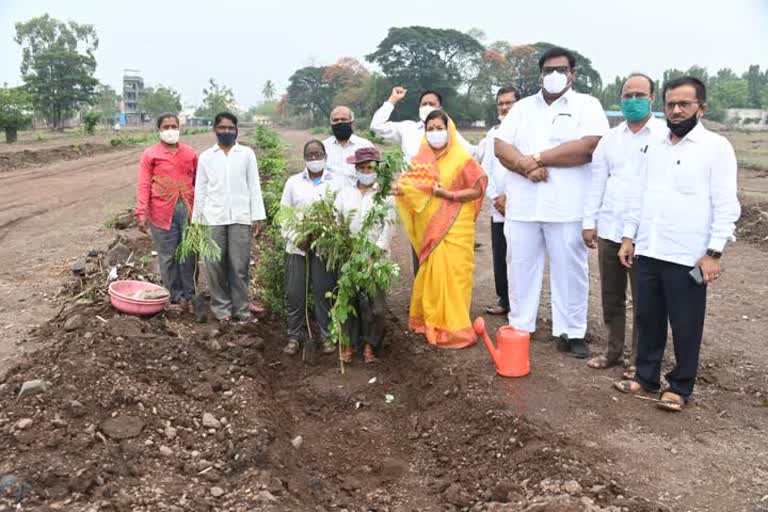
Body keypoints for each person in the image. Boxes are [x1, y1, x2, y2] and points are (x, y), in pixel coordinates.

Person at [614, 77, 741, 411]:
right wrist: (629, 237)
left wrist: (714, 253)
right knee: (647, 318)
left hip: (689, 256)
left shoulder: (716, 148)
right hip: (649, 250)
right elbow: (637, 196)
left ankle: (680, 386)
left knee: (685, 324)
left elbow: (726, 205)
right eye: (671, 104)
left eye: (684, 104)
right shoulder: (653, 146)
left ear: (701, 107)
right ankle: (645, 376)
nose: (676, 110)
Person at [494, 46, 609, 358]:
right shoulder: (522, 109)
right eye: (548, 70)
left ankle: (571, 331)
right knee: (520, 267)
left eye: (561, 69)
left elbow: (588, 148)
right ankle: (521, 326)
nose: (554, 75)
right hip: (523, 207)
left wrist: (535, 158)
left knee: (570, 270)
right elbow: (501, 146)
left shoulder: (587, 105)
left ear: (572, 74)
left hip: (567, 207)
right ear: (540, 74)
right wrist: (525, 167)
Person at [582, 74, 667, 375]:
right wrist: (588, 221)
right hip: (609, 228)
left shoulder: (663, 136)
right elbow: (597, 181)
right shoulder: (611, 138)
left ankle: (638, 358)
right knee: (611, 296)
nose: (633, 101)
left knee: (644, 299)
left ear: (652, 98)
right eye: (627, 95)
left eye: (639, 95)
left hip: (645, 234)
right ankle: (613, 351)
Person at [395, 110, 487, 348]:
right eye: (430, 129)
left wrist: (448, 194)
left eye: (439, 128)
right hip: (432, 230)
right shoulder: (421, 160)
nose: (435, 133)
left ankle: (454, 327)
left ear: (450, 129)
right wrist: (401, 190)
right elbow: (411, 186)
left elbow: (477, 189)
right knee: (432, 274)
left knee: (455, 276)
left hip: (457, 228)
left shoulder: (462, 159)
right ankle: (431, 321)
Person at [372, 87, 476, 276]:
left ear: (440, 108)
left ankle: (442, 296)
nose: (427, 107)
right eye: (424, 104)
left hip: (442, 198)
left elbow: (472, 153)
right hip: (414, 200)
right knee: (420, 248)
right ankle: (424, 295)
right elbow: (377, 127)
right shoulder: (408, 128)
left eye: (432, 104)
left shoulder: (448, 132)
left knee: (443, 250)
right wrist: (392, 100)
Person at [192, 112, 266, 322]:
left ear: (236, 130)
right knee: (214, 265)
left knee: (239, 266)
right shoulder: (206, 157)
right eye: (222, 128)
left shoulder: (246, 154)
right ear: (215, 130)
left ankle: (241, 310)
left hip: (240, 218)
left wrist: (257, 217)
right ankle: (222, 309)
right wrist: (197, 222)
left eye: (230, 128)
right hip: (212, 218)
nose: (226, 131)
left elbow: (254, 186)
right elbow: (201, 190)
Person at [280, 140, 343, 356]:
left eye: (318, 154)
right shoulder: (293, 182)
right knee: (294, 293)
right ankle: (294, 335)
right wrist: (297, 238)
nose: (314, 158)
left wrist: (324, 236)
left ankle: (326, 335)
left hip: (324, 249)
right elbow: (284, 216)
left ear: (325, 155)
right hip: (297, 248)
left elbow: (340, 216)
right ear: (304, 157)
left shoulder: (336, 182)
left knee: (323, 293)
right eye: (310, 155)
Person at [334, 147, 395, 364]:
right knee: (349, 302)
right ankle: (349, 345)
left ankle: (371, 345)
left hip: (375, 259)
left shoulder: (384, 196)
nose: (366, 171)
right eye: (362, 167)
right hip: (350, 257)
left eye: (370, 167)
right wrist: (345, 249)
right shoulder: (344, 194)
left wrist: (374, 254)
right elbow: (338, 223)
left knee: (376, 307)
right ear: (356, 169)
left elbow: (388, 227)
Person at [135, 113, 198, 312]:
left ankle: (190, 294)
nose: (170, 130)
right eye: (166, 127)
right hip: (161, 212)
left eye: (173, 126)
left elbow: (199, 182)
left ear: (180, 128)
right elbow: (144, 183)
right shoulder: (150, 154)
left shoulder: (190, 154)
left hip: (187, 210)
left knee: (188, 254)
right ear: (159, 130)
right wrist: (141, 211)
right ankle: (174, 295)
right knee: (168, 256)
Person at [476, 86, 518, 316]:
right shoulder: (492, 135)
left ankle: (520, 304)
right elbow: (486, 170)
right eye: (500, 103)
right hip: (498, 207)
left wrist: (511, 197)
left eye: (508, 103)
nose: (504, 107)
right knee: (500, 253)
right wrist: (496, 197)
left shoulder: (526, 131)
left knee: (520, 256)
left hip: (521, 204)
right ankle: (504, 299)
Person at [322, 106, 374, 185]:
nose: (339, 122)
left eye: (343, 119)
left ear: (351, 122)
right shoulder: (323, 147)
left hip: (358, 194)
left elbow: (374, 173)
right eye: (335, 120)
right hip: (330, 195)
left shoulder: (365, 145)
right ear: (331, 123)